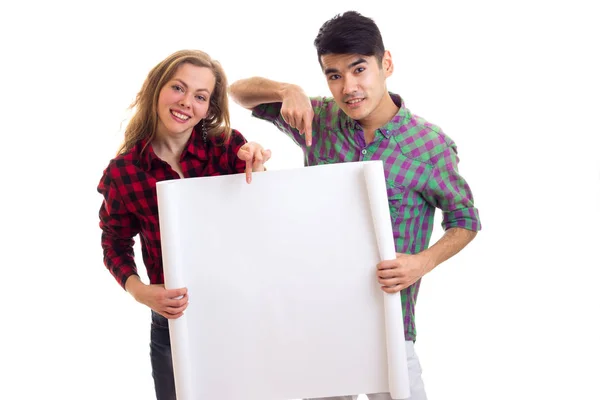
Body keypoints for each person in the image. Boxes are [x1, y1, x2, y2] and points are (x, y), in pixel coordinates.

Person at [229, 10, 481, 400]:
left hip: (391, 329)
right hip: (321, 326)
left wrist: (421, 263)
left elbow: (465, 219)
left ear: (387, 64)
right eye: (334, 75)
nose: (349, 87)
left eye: (359, 69)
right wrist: (286, 90)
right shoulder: (317, 120)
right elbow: (238, 92)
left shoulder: (430, 146)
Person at [97, 49, 270, 400]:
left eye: (200, 96)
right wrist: (140, 290)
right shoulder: (124, 171)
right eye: (178, 88)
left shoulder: (227, 149)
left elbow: (262, 214)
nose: (186, 102)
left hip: (240, 313)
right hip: (174, 322)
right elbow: (114, 242)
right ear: (158, 89)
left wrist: (259, 165)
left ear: (209, 107)